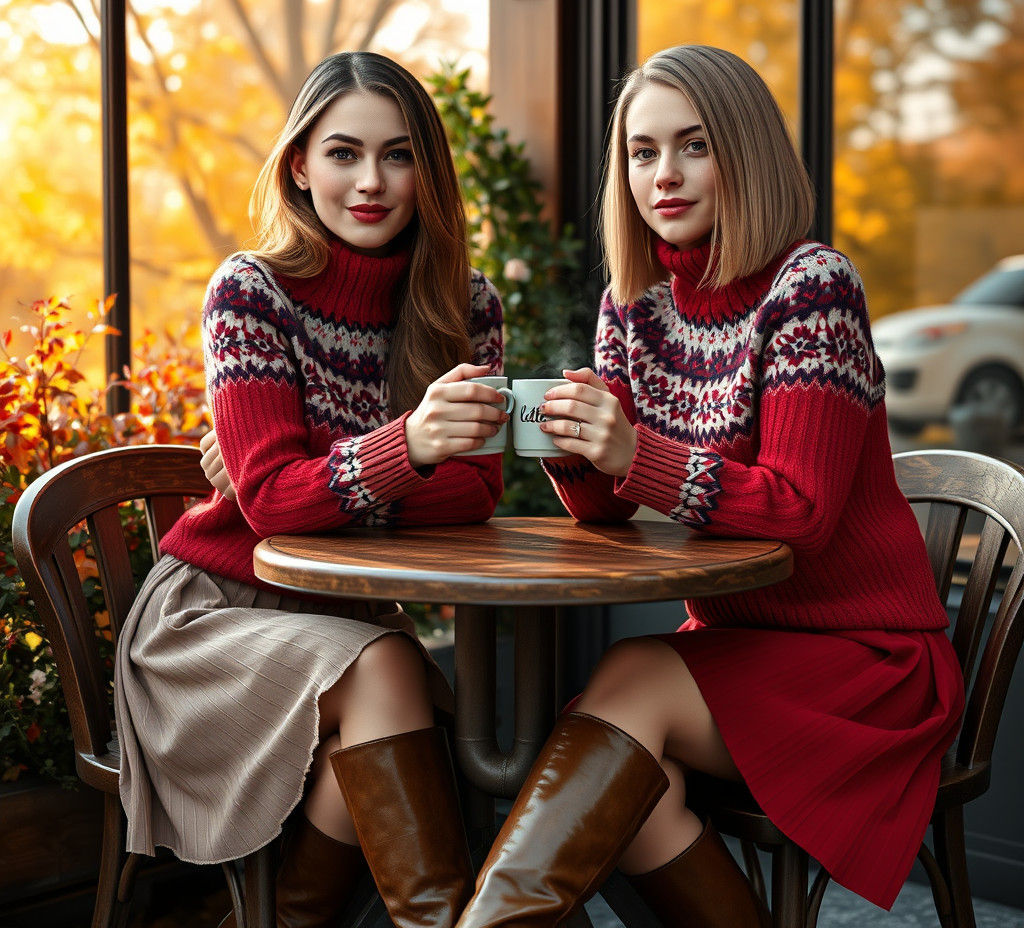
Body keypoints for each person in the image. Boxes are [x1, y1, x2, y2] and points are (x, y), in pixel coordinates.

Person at [451, 45, 965, 928]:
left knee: (623, 694)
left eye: (693, 146)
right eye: (642, 153)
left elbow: (799, 514)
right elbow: (611, 507)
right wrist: (581, 444)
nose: (665, 174)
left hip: (865, 660)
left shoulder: (812, 288)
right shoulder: (634, 302)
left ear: (745, 152)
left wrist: (636, 451)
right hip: (741, 642)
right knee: (621, 757)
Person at [113, 51, 508, 928]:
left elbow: (474, 492)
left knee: (381, 686)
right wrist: (407, 446)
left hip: (346, 623)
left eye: (399, 155)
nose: (371, 182)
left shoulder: (463, 304)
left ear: (427, 171)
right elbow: (270, 506)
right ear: (300, 163)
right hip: (215, 622)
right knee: (391, 669)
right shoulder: (251, 292)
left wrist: (319, 472)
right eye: (343, 153)